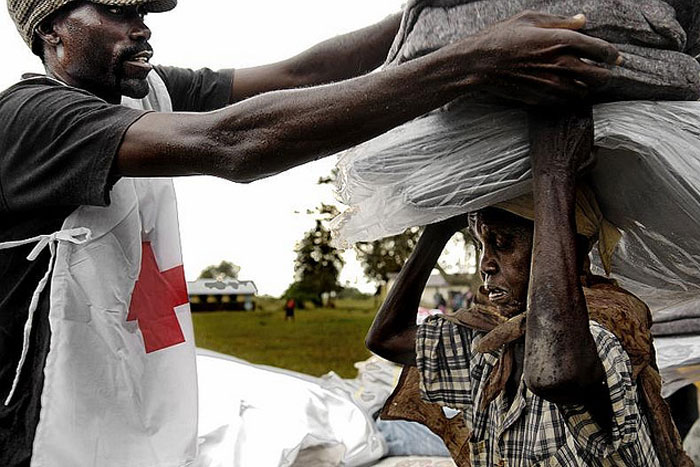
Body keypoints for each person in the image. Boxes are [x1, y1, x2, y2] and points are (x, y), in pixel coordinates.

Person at [0, 0, 623, 465]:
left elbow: (299, 76)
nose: (142, 26)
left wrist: (436, 13)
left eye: (141, 11)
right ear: (50, 28)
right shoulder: (32, 119)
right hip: (36, 435)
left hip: (133, 408)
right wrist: (470, 63)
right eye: (116, 12)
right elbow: (229, 142)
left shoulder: (145, 94)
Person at [366, 109, 692, 465]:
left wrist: (553, 175)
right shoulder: (495, 343)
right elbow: (389, 337)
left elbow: (555, 375)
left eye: (503, 243)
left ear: (563, 247)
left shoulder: (600, 332)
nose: (485, 265)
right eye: (481, 247)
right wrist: (439, 226)